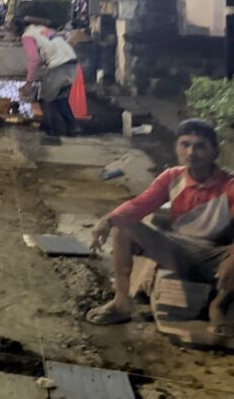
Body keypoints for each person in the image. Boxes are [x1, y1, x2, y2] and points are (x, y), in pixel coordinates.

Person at [86, 119, 234, 334]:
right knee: (124, 227)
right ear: (177, 147)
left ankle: (220, 305)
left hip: (216, 255)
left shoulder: (229, 184)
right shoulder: (172, 177)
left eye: (200, 146)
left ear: (215, 151)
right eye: (185, 144)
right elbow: (141, 204)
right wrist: (109, 219)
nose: (191, 152)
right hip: (179, 250)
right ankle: (121, 302)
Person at [14, 17, 79, 137]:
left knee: (45, 99)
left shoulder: (27, 36)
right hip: (72, 62)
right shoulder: (41, 29)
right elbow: (47, 51)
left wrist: (29, 82)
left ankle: (50, 130)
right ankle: (73, 127)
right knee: (60, 99)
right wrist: (35, 69)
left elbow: (33, 59)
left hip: (58, 65)